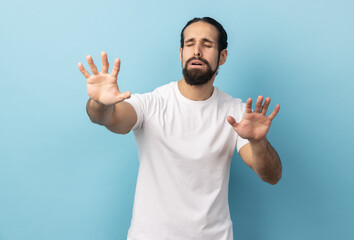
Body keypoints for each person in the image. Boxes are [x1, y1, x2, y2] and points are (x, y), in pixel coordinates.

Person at [78, 17, 282, 240]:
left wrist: (257, 141)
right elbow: (111, 119)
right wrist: (101, 103)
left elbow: (271, 175)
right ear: (181, 53)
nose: (196, 51)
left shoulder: (236, 112)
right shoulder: (153, 103)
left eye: (207, 44)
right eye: (190, 44)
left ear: (222, 56)